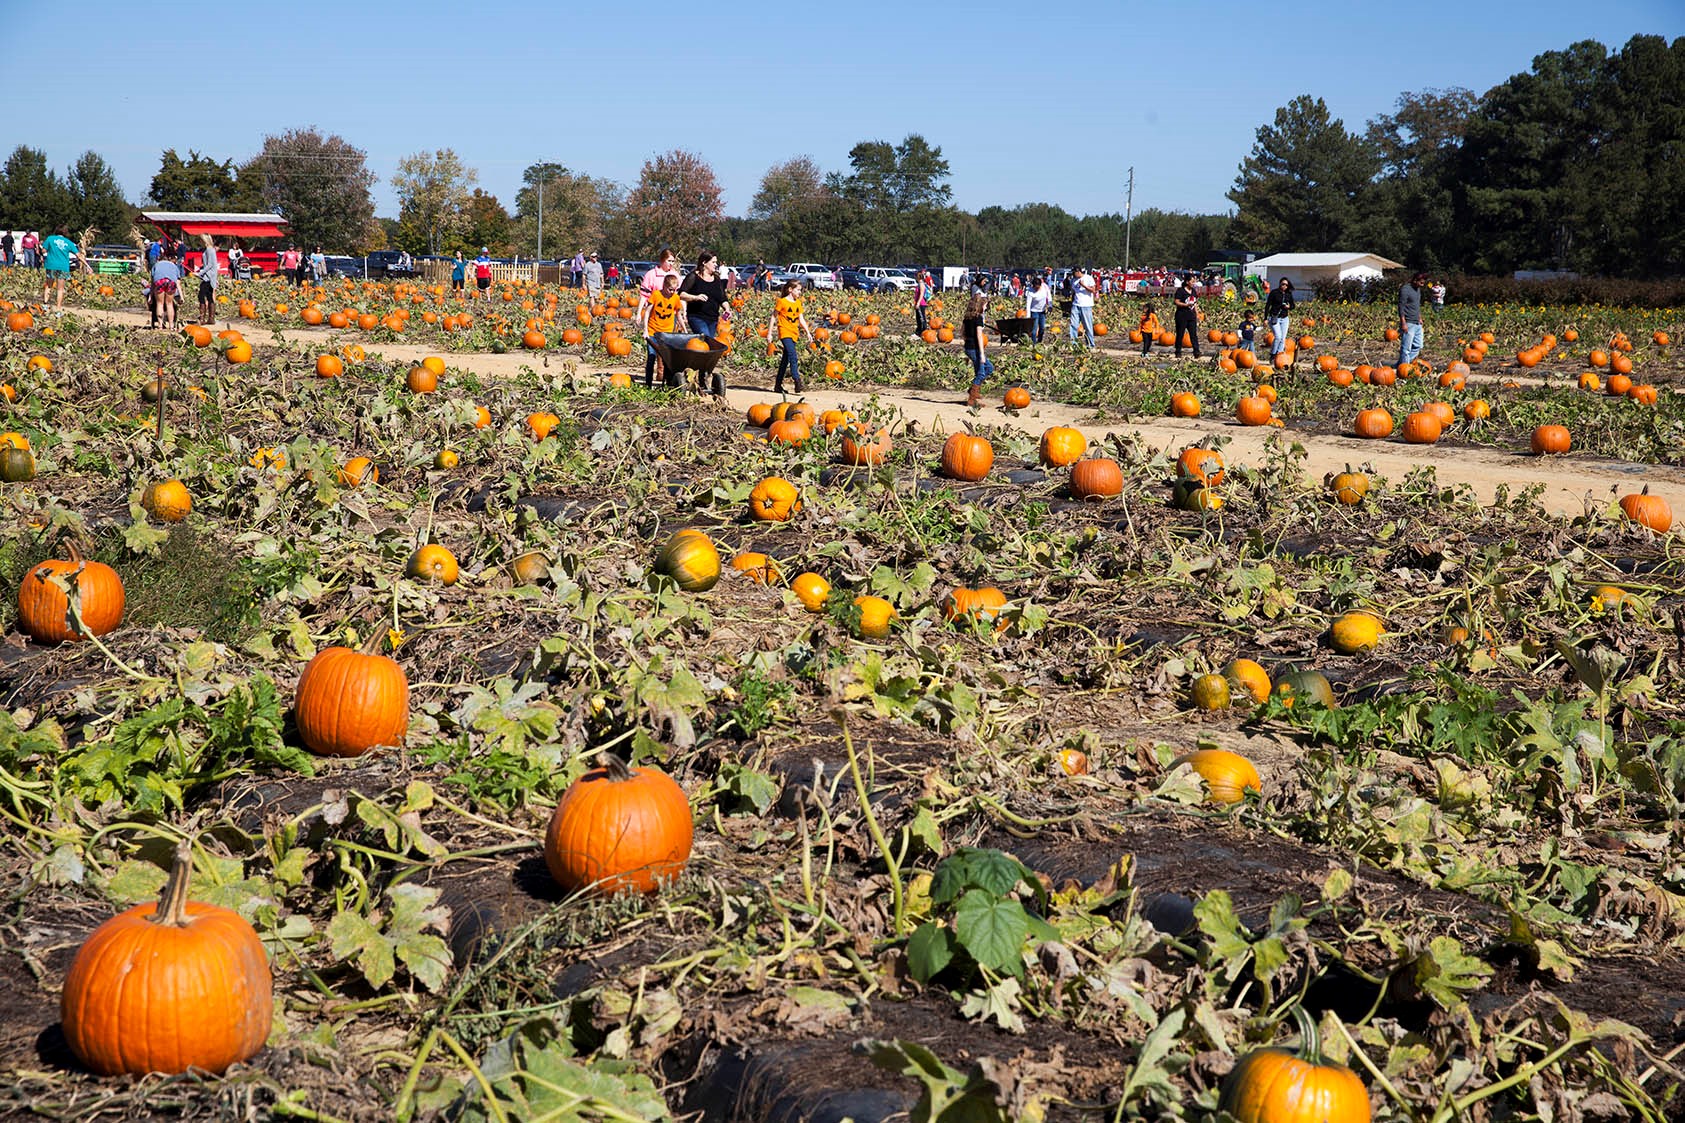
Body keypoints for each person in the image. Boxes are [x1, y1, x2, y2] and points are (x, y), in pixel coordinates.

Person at [639, 272, 689, 388]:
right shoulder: (656, 295)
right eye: (670, 289)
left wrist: (684, 329)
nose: (672, 292)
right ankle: (648, 384)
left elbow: (678, 314)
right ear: (664, 286)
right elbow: (647, 313)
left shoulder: (675, 298)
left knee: (667, 359)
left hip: (667, 334)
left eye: (675, 290)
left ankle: (667, 383)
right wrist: (645, 330)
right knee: (651, 357)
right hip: (652, 332)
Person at [767, 278, 812, 394]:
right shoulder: (782, 302)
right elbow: (773, 317)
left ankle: (777, 385)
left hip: (794, 333)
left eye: (800, 290)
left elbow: (801, 319)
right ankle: (797, 380)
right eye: (797, 290)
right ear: (790, 290)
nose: (799, 292)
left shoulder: (798, 303)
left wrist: (807, 332)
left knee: (785, 359)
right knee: (793, 355)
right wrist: (769, 333)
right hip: (784, 331)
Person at [679, 251, 727, 340]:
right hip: (697, 317)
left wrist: (727, 309)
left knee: (708, 343)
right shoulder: (693, 277)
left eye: (716, 262)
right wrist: (696, 297)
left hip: (713, 318)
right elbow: (681, 294)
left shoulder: (717, 279)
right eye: (713, 262)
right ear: (704, 263)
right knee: (707, 339)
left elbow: (723, 298)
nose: (716, 265)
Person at [963, 279, 994, 406]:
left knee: (987, 368)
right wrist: (981, 354)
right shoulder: (979, 319)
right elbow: (979, 336)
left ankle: (974, 391)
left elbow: (963, 333)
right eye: (985, 306)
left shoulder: (968, 317)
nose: (986, 308)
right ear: (981, 306)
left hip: (968, 347)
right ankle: (972, 398)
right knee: (983, 371)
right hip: (975, 348)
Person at [40, 226, 78, 312]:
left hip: (51, 265)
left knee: (49, 285)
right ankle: (58, 308)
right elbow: (78, 254)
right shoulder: (69, 242)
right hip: (63, 267)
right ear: (65, 233)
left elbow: (43, 251)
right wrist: (87, 265)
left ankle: (45, 304)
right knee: (60, 289)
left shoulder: (50, 239)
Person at [151, 244, 184, 330]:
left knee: (160, 304)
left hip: (160, 281)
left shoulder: (156, 265)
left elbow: (152, 283)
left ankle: (160, 325)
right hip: (170, 282)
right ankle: (171, 326)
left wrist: (150, 296)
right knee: (169, 304)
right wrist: (181, 296)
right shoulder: (174, 266)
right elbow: (178, 283)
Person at [1398, 271, 1426, 367]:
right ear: (1415, 280)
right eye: (1421, 282)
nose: (1422, 285)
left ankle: (1403, 365)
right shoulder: (1405, 289)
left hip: (1417, 322)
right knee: (1406, 348)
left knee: (1418, 346)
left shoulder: (1417, 289)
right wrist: (1403, 323)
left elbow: (1416, 305)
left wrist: (1420, 318)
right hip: (1408, 322)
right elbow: (1401, 307)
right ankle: (1404, 368)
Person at [1173, 274, 1202, 359]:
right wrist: (1185, 305)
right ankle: (1178, 351)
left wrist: (1197, 314)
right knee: (1180, 334)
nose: (1193, 283)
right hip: (1181, 316)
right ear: (1187, 282)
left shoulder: (1193, 291)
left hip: (1191, 316)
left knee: (1193, 335)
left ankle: (1196, 351)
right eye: (1192, 281)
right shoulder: (1180, 291)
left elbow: (1195, 303)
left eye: (1194, 281)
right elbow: (1176, 302)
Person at [1265, 278, 1295, 358]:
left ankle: (1279, 356)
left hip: (1285, 319)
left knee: (1283, 339)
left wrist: (1289, 307)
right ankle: (1273, 354)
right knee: (1278, 337)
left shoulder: (1288, 294)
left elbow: (1293, 306)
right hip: (1274, 318)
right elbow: (1268, 305)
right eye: (1283, 284)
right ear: (1280, 284)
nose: (1284, 286)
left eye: (1286, 285)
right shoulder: (1274, 293)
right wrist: (1265, 318)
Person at [1067, 266, 1096, 348]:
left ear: (1078, 271)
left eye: (1074, 273)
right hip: (1076, 305)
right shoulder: (1073, 280)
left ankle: (1090, 344)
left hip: (1086, 305)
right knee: (1073, 325)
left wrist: (1083, 285)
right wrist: (1071, 302)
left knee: (1087, 326)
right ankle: (1074, 344)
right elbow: (1073, 292)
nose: (1073, 275)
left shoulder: (1088, 278)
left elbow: (1093, 290)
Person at [197, 237, 219, 324]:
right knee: (209, 297)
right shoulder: (209, 250)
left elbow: (210, 264)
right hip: (209, 276)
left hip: (208, 277)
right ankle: (211, 318)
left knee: (201, 296)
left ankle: (203, 318)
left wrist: (201, 273)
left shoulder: (209, 250)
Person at [1025, 272, 1051, 343]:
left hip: (1042, 311)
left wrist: (1050, 305)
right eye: (1035, 288)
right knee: (1034, 329)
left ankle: (1039, 341)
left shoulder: (1044, 287)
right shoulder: (1030, 292)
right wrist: (1028, 315)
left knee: (1042, 328)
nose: (1037, 289)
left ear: (1040, 285)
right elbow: (1028, 304)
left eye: (1038, 287)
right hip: (1034, 312)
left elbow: (1049, 296)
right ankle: (1034, 343)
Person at [914, 269, 932, 335]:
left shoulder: (921, 284)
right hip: (919, 303)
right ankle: (919, 331)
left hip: (921, 303)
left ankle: (923, 331)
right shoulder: (919, 284)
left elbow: (921, 294)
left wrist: (918, 303)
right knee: (918, 317)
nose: (915, 277)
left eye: (915, 276)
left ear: (918, 277)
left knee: (921, 318)